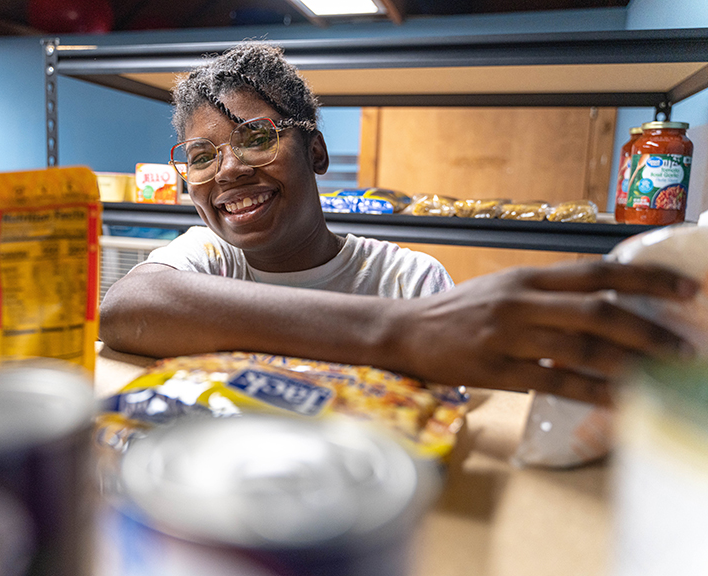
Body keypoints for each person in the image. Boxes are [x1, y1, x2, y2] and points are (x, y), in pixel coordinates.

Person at [100, 42, 699, 405]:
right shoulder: (211, 256)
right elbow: (129, 307)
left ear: (316, 154)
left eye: (257, 138)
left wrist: (409, 319)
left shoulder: (407, 280)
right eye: (201, 156)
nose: (227, 170)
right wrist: (395, 333)